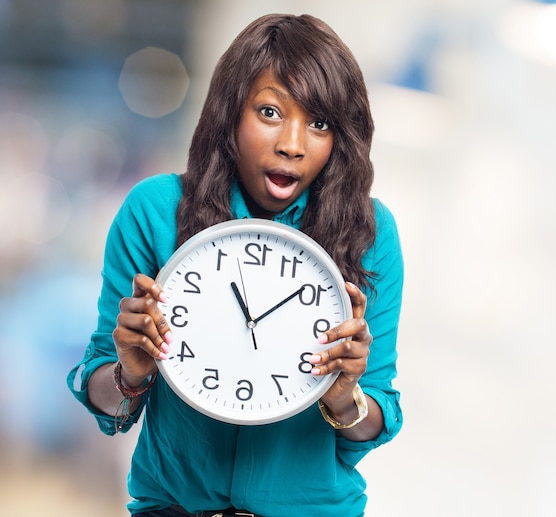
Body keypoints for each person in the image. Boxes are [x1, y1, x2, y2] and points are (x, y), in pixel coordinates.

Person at [67, 13, 403, 517]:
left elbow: (371, 422)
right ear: (230, 113)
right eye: (270, 112)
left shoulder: (370, 233)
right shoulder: (155, 212)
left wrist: (344, 395)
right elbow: (105, 396)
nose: (292, 143)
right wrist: (129, 375)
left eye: (318, 123)